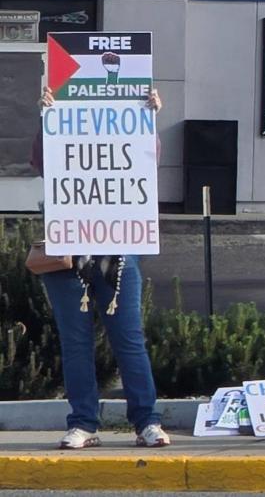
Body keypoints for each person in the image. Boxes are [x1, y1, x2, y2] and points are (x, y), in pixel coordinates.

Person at [34, 86, 171, 450]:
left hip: (119, 248)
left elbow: (144, 163)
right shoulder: (61, 120)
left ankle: (146, 421)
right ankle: (83, 423)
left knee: (128, 339)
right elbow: (42, 162)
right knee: (76, 342)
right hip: (68, 249)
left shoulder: (129, 122)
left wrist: (149, 118)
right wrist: (47, 117)